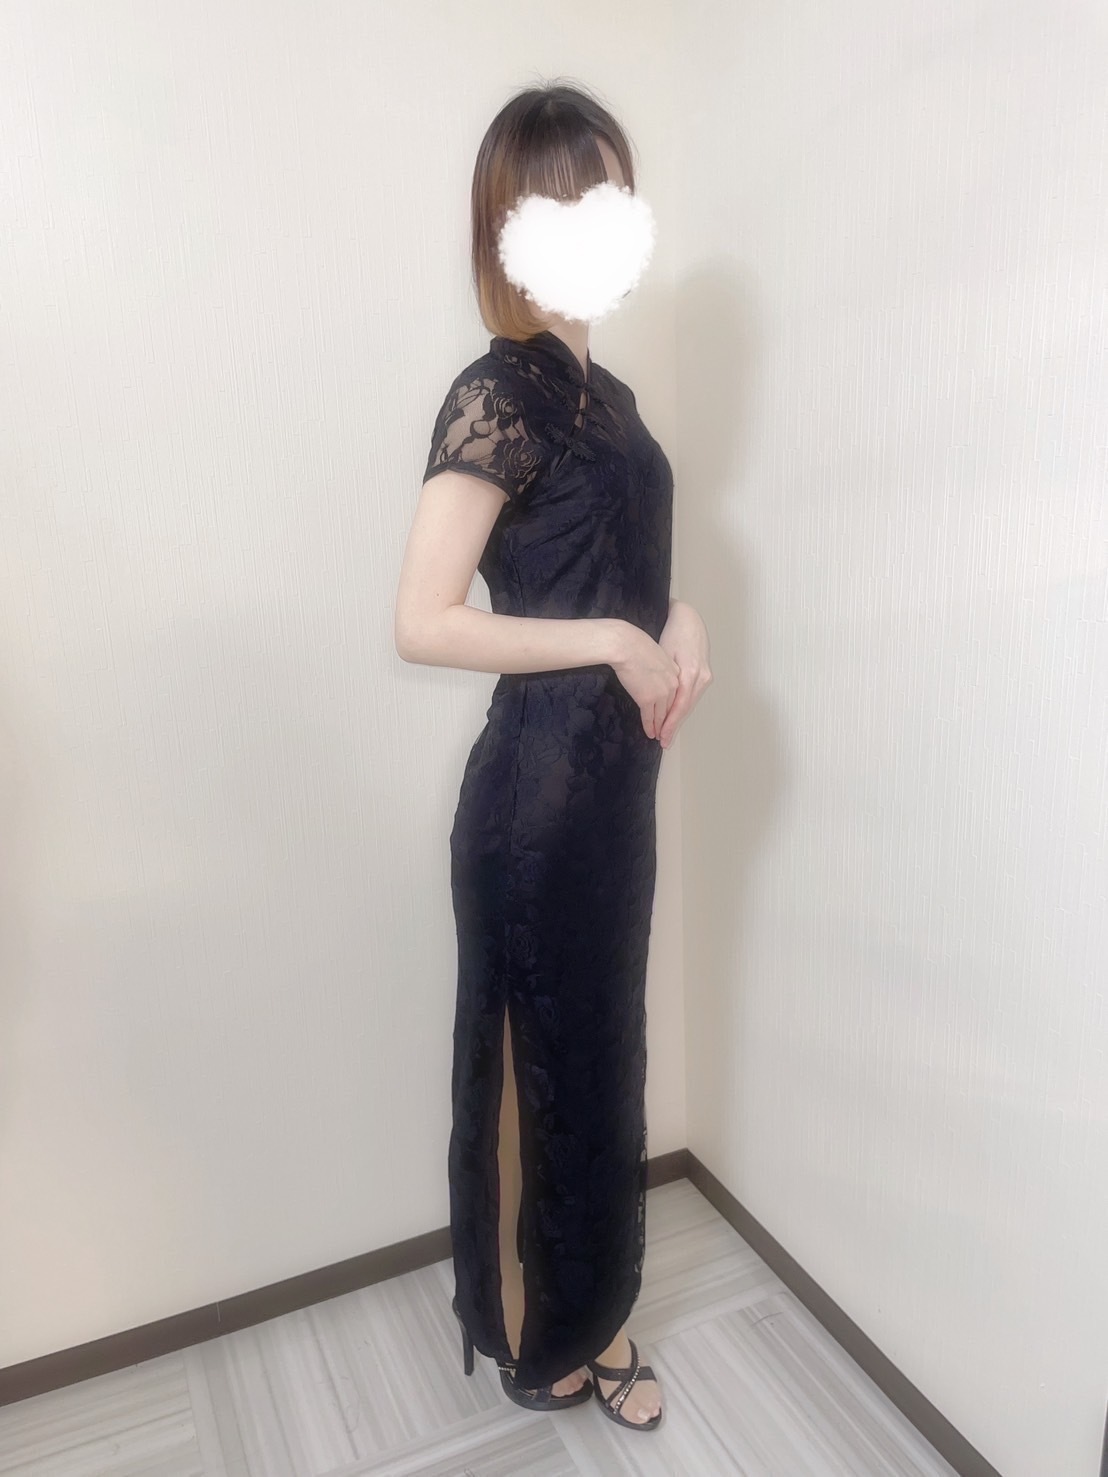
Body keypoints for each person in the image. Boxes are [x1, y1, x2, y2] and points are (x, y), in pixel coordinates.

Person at [394, 82, 712, 1433]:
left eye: (611, 194)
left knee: (600, 1067)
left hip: (613, 803)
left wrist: (681, 619)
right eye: (565, 199)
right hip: (534, 804)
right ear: (510, 229)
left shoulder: (615, 402)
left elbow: (623, 570)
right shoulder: (501, 390)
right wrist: (613, 640)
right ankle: (555, 1337)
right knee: (547, 1078)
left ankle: (586, 1316)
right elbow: (422, 620)